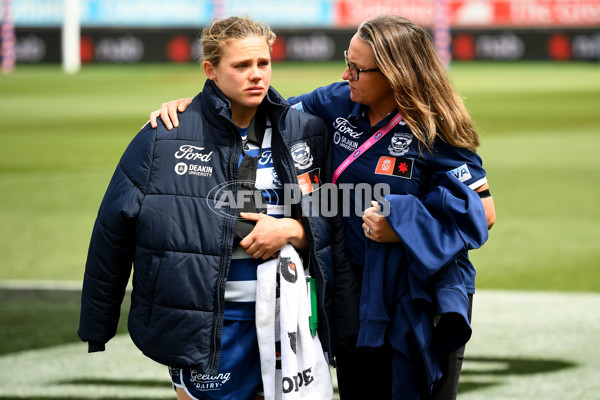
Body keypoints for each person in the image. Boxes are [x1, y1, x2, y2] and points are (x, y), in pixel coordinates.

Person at [149, 15, 496, 400]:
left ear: (396, 74)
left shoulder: (437, 128)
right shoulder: (337, 99)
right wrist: (196, 108)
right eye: (348, 59)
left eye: (358, 69)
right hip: (351, 286)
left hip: (421, 293)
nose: (346, 74)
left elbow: (483, 214)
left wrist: (402, 226)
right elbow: (267, 111)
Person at [78, 16, 340, 400]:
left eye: (263, 64)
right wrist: (97, 324)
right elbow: (112, 233)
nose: (256, 75)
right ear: (210, 70)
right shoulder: (164, 136)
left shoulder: (307, 131)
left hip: (291, 321)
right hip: (205, 327)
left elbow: (335, 219)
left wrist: (294, 232)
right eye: (241, 66)